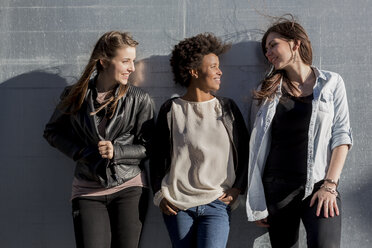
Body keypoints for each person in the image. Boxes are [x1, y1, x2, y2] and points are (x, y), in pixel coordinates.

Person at [245, 16, 353, 248]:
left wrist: (330, 185)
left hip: (318, 186)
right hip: (277, 189)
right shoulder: (266, 90)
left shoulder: (331, 82)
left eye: (273, 45)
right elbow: (255, 146)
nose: (268, 53)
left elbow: (342, 136)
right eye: (266, 49)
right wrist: (258, 200)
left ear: (295, 44)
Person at [43, 31, 154, 248]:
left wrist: (118, 152)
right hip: (87, 190)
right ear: (104, 62)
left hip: (129, 188)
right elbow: (52, 132)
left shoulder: (140, 99)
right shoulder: (74, 95)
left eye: (133, 60)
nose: (132, 67)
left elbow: (150, 147)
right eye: (125, 61)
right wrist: (81, 152)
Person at [150, 33, 249, 248]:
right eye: (213, 66)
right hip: (178, 205)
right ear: (194, 71)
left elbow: (245, 152)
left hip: (217, 203)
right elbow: (157, 157)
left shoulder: (227, 108)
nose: (219, 71)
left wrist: (237, 189)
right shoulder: (171, 109)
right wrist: (159, 195)